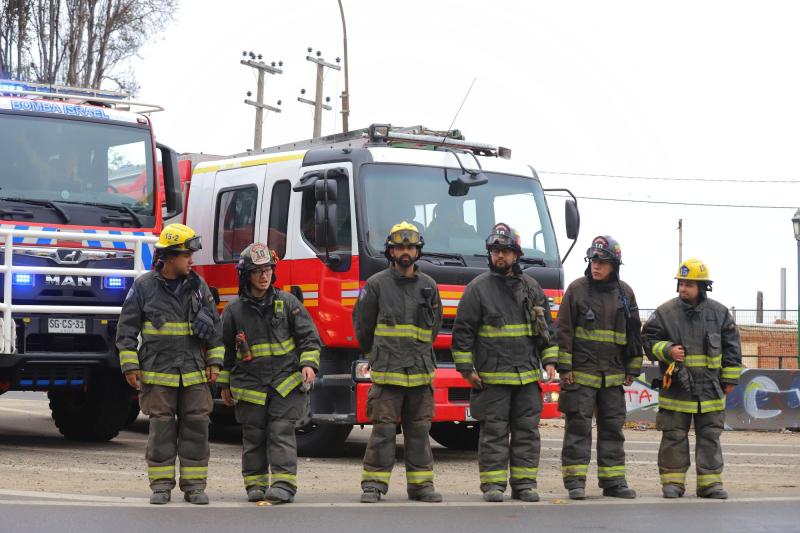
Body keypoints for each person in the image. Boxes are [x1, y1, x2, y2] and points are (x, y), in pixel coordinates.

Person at [116, 223, 224, 505]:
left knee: (197, 428)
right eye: (187, 255)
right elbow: (126, 331)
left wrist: (214, 362)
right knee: (161, 429)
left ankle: (195, 486)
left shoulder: (199, 287)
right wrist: (129, 366)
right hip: (158, 373)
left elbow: (215, 330)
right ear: (170, 257)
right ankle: (161, 486)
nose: (192, 260)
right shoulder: (143, 287)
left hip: (194, 374)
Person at [451, 222, 558, 503]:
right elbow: (462, 333)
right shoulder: (477, 289)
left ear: (516, 254)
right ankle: (493, 485)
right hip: (492, 379)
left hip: (526, 378)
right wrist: (466, 370)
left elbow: (546, 330)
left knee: (526, 434)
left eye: (505, 251)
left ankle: (524, 484)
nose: (499, 256)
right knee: (493, 434)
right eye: (495, 250)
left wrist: (549, 362)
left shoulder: (532, 287)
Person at [219, 243, 321, 503]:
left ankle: (284, 485)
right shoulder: (233, 312)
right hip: (250, 386)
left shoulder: (288, 303)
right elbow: (224, 351)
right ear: (246, 276)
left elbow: (309, 339)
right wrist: (224, 383)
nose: (264, 276)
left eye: (267, 270)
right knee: (253, 435)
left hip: (285, 384)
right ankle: (254, 485)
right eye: (257, 271)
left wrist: (308, 364)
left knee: (280, 432)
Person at [353, 221, 443, 504]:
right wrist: (375, 355)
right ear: (391, 251)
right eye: (400, 247)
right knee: (383, 431)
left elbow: (435, 327)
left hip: (419, 372)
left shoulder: (429, 286)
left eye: (411, 247)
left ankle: (421, 487)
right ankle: (373, 486)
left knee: (419, 431)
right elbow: (363, 327)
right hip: (388, 373)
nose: (405, 252)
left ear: (418, 252)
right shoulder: (376, 285)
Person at [642, 258, 742, 499]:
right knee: (673, 436)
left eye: (688, 284)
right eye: (680, 283)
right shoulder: (665, 312)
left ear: (702, 287)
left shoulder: (719, 314)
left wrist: (729, 380)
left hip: (710, 390)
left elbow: (732, 349)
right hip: (676, 389)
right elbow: (648, 340)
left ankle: (710, 484)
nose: (682, 288)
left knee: (710, 437)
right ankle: (673, 483)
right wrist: (667, 350)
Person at [556, 235, 642, 500]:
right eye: (593, 259)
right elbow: (564, 330)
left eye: (602, 261)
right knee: (578, 429)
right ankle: (575, 483)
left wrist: (633, 367)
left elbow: (633, 332)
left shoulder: (625, 293)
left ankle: (613, 481)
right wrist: (564, 367)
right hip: (580, 375)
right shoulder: (577, 289)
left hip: (614, 376)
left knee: (613, 429)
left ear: (614, 264)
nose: (596, 265)